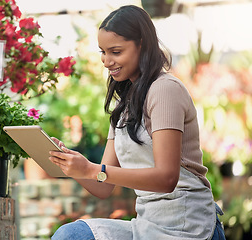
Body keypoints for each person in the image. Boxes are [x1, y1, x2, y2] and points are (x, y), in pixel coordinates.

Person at [49, 5, 226, 240]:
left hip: (188, 226)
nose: (106, 61)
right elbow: (103, 186)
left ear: (142, 45)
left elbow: (166, 178)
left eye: (116, 51)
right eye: (102, 51)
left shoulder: (165, 90)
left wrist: (93, 170)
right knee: (71, 235)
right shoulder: (123, 106)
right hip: (146, 225)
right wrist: (72, 166)